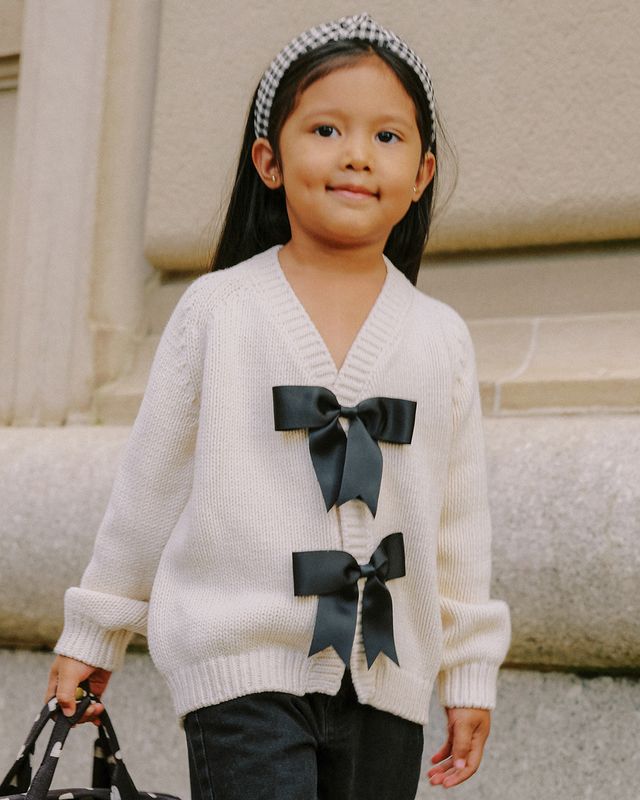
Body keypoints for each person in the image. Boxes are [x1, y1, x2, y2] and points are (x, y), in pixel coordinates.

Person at [46, 12, 510, 800]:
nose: (358, 155)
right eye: (326, 129)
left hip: (384, 681)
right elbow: (149, 484)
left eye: (388, 138)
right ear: (269, 158)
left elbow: (458, 523)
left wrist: (469, 671)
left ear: (423, 173)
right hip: (240, 673)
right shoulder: (218, 311)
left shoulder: (440, 339)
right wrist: (96, 629)